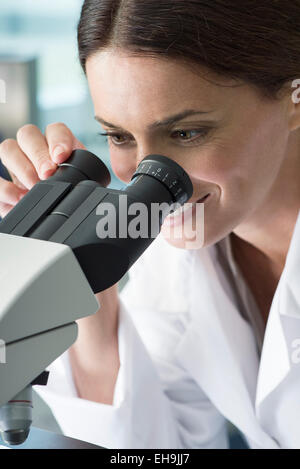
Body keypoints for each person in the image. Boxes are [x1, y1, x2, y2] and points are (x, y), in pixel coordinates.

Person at [0, 0, 300, 449]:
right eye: (118, 136)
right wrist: (73, 275)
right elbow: (162, 448)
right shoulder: (176, 256)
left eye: (186, 133)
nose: (147, 175)